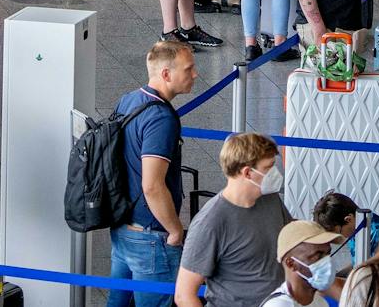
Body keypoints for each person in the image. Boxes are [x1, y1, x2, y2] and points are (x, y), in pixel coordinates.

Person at [108, 39, 198, 307]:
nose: (195, 74)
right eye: (188, 69)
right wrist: (174, 230)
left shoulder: (128, 101)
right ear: (166, 74)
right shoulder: (161, 119)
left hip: (123, 225)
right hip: (150, 237)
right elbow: (153, 185)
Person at [171, 132, 288, 307]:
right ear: (248, 172)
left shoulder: (270, 199)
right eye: (269, 167)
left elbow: (292, 236)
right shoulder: (210, 222)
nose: (275, 173)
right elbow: (183, 296)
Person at [262, 221, 343, 307]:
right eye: (318, 256)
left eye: (327, 254)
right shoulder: (278, 305)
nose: (328, 262)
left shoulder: (319, 302)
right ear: (291, 264)